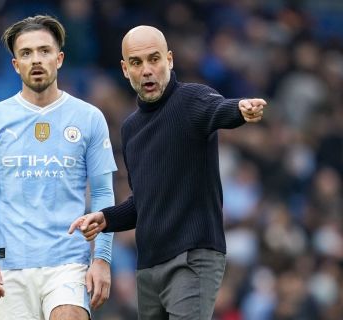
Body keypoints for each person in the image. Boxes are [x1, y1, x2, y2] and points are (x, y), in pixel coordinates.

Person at [69, 25, 267, 320]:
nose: (147, 70)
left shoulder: (191, 100)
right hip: (148, 268)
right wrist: (107, 218)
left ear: (169, 60)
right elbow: (143, 202)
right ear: (125, 69)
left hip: (192, 258)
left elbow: (219, 109)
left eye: (154, 59)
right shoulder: (131, 129)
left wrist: (241, 109)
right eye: (137, 63)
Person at [0, 15, 117, 320]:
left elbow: (102, 192)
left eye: (44, 51)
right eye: (26, 53)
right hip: (11, 268)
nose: (36, 59)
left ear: (59, 59)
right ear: (15, 64)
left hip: (68, 262)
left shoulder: (89, 118)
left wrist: (101, 258)